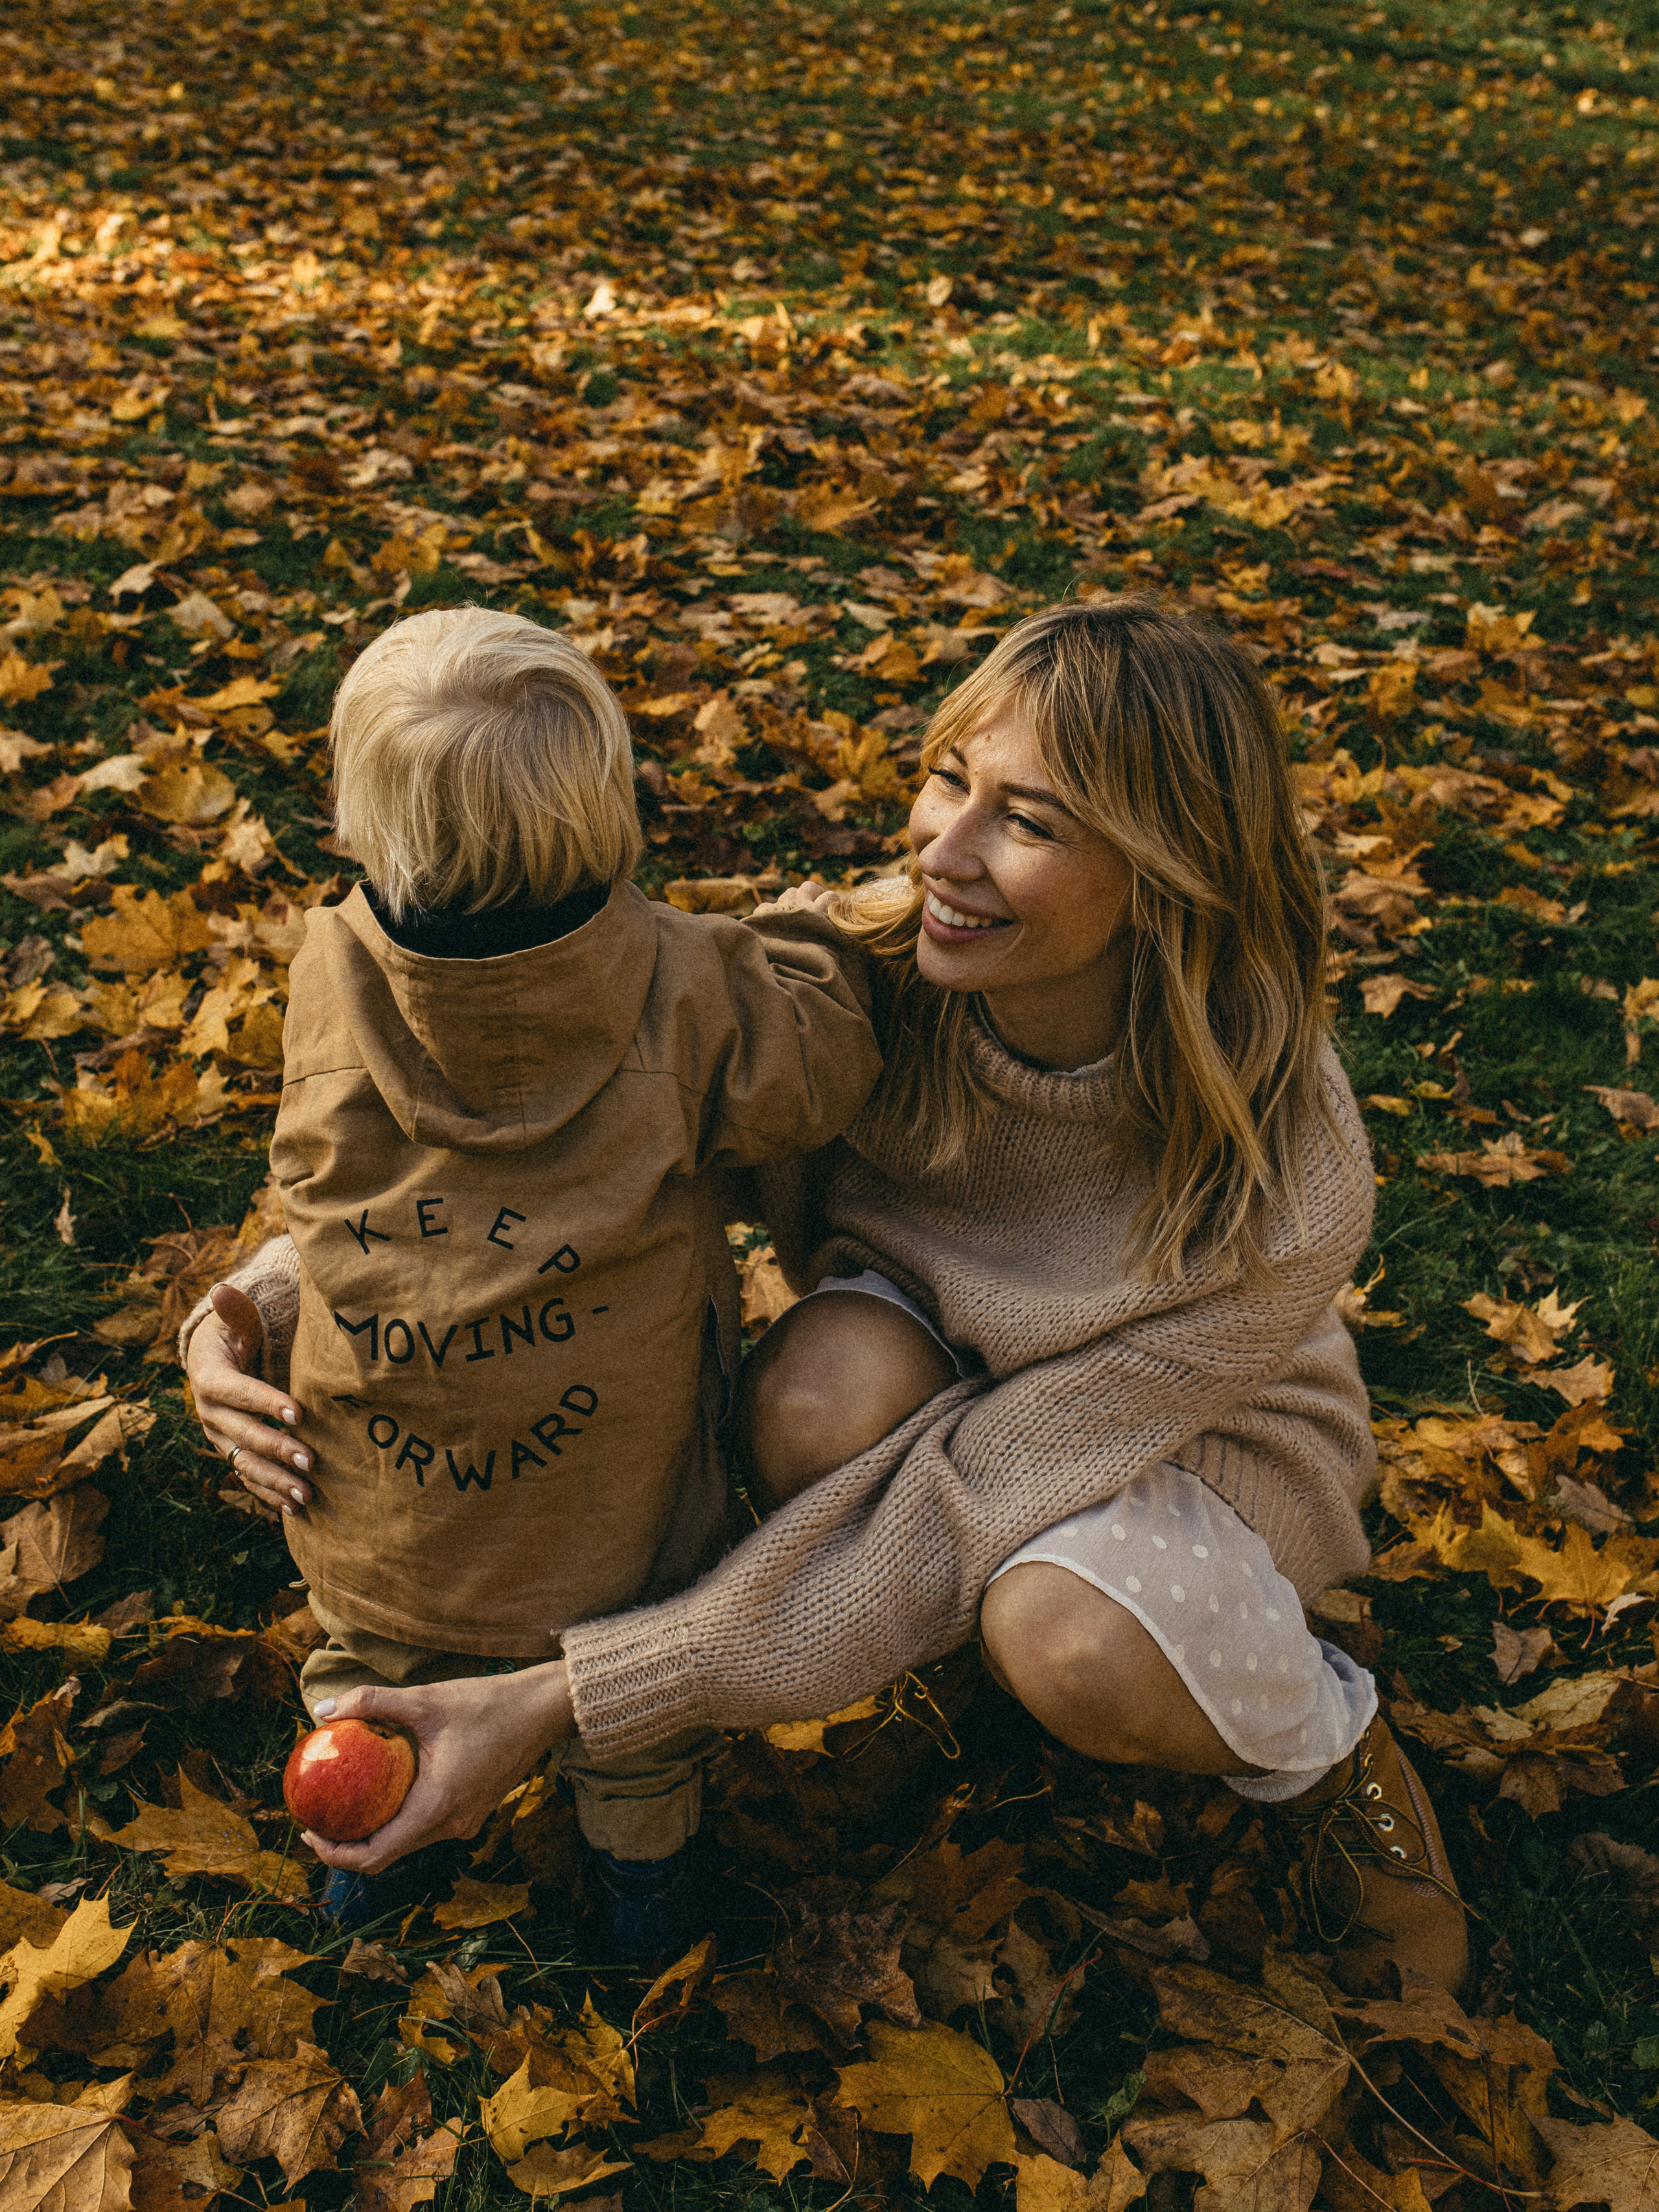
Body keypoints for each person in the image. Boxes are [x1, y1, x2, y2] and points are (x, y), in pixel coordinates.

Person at [187, 598, 1468, 1997]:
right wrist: (253, 1306)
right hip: (932, 1390)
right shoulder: (842, 985)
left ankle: (1332, 1749)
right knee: (813, 1399)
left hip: (1185, 1446)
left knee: (1067, 1633)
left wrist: (573, 1695)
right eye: (944, 779)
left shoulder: (1279, 1170)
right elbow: (538, 1161)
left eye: (1025, 823)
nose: (943, 850)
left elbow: (953, 1503)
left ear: (1166, 873)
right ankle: (928, 1640)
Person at [189, 603, 881, 1950]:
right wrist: (814, 946)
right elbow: (817, 1071)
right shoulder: (692, 986)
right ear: (606, 810)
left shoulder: (327, 974)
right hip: (613, 1529)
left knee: (368, 1678)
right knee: (630, 1725)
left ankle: (368, 1848)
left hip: (379, 1522)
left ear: (357, 826)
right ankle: (642, 1892)